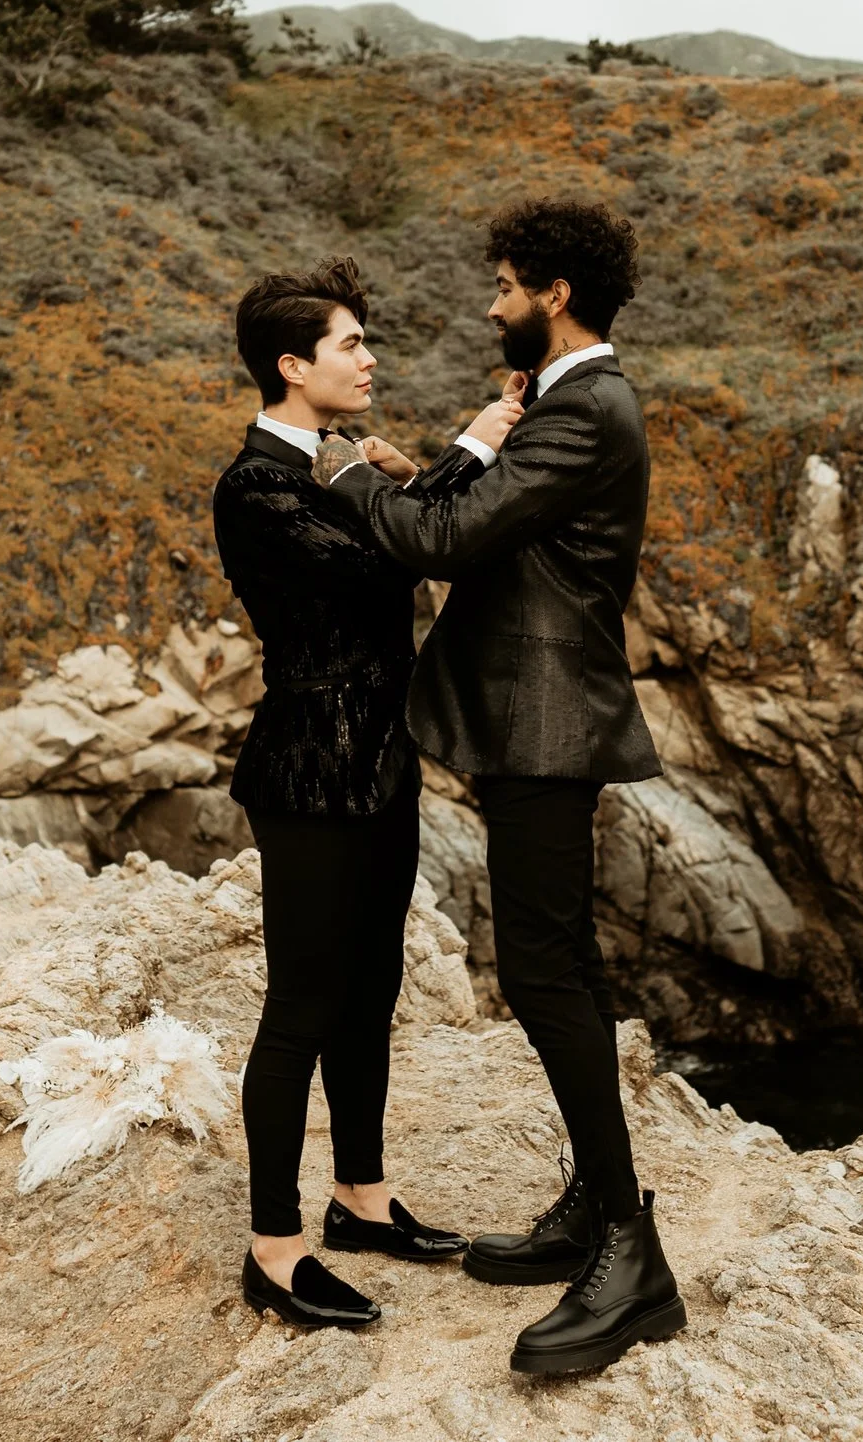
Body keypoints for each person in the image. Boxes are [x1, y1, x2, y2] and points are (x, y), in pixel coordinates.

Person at [314, 199, 683, 1376]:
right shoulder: (562, 403)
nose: (491, 305)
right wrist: (415, 471)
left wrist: (346, 475)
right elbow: (489, 520)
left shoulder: (588, 407)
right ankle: (595, 1205)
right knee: (554, 963)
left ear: (554, 296)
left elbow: (447, 543)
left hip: (547, 725)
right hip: (534, 718)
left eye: (506, 285)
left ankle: (629, 1254)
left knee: (543, 970)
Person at [211, 256, 521, 1330]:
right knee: (300, 1004)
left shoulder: (344, 467)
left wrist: (408, 477)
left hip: (383, 762)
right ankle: (274, 1247)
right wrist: (470, 451)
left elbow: (401, 536)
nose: (369, 358)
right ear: (292, 365)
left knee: (371, 987)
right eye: (350, 343)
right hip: (306, 772)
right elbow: (387, 565)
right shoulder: (255, 486)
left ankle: (361, 1197)